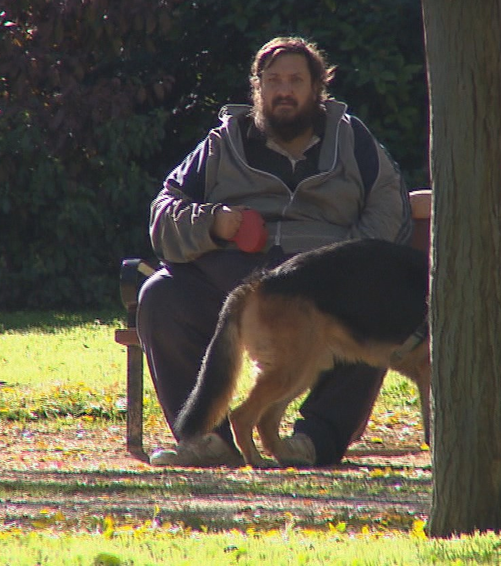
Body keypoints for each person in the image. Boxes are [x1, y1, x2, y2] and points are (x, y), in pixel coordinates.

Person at [138, 36, 412, 467]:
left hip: (323, 284)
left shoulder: (352, 139)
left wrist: (347, 261)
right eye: (273, 80)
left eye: (296, 80)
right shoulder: (220, 144)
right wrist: (214, 221)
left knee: (372, 300)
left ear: (317, 89)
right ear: (257, 88)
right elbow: (164, 211)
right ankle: (210, 441)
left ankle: (315, 441)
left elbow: (389, 203)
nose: (284, 90)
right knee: (162, 294)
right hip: (234, 279)